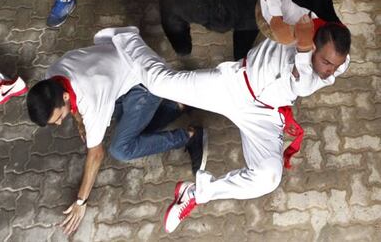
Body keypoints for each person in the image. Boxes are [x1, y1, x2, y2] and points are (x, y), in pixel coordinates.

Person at [111, 20, 351, 233]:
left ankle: (194, 193)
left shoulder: (333, 66)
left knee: (268, 177)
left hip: (265, 114)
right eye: (327, 62)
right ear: (315, 43)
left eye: (335, 65)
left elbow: (302, 82)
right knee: (158, 83)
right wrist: (284, 19)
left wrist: (302, 45)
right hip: (234, 85)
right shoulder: (300, 17)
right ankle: (126, 37)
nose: (330, 70)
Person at [26, 26, 207, 235]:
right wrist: (79, 122)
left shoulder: (90, 98)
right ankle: (180, 104)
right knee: (128, 128)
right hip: (122, 69)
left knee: (121, 148)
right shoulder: (53, 75)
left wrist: (80, 201)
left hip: (143, 79)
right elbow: (75, 107)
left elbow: (96, 154)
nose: (58, 124)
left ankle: (190, 136)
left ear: (64, 97)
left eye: (58, 118)